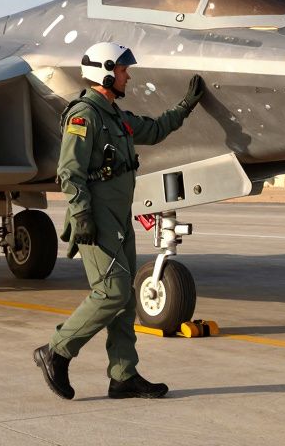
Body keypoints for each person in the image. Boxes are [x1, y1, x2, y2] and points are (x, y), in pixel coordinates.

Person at [33, 41, 206, 400]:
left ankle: (123, 375)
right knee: (110, 292)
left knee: (125, 298)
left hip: (119, 219)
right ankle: (57, 350)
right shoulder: (84, 116)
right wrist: (81, 214)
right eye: (125, 70)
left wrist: (185, 107)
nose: (129, 76)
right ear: (107, 72)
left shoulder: (116, 116)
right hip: (95, 219)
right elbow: (69, 172)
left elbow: (155, 130)